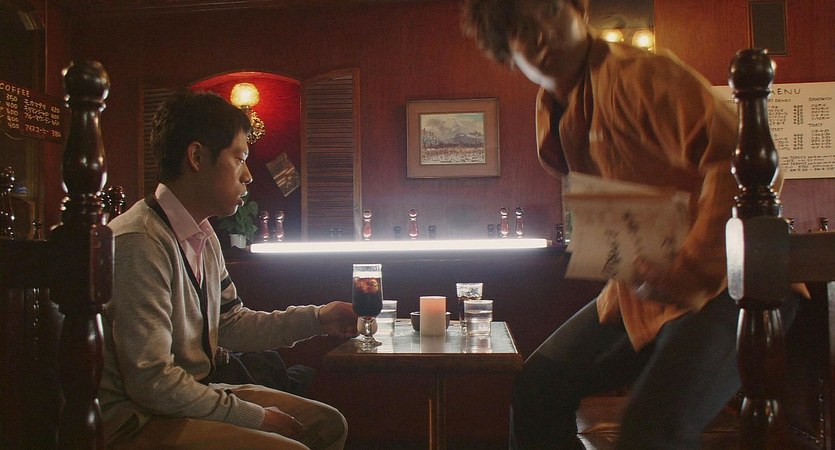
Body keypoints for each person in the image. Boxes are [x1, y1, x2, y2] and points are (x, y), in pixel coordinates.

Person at [462, 1, 801, 449]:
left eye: (550, 10)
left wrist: (690, 269)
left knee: (650, 429)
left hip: (732, 289)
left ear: (579, 9)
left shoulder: (641, 74)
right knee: (539, 386)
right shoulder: (553, 107)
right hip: (642, 294)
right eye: (523, 28)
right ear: (505, 50)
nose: (542, 34)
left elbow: (747, 164)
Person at [99, 90, 358, 450]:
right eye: (239, 159)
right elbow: (152, 382)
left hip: (189, 396)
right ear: (196, 157)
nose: (248, 176)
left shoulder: (202, 235)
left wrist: (318, 319)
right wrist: (257, 417)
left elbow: (231, 324)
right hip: (138, 420)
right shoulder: (139, 241)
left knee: (327, 424)